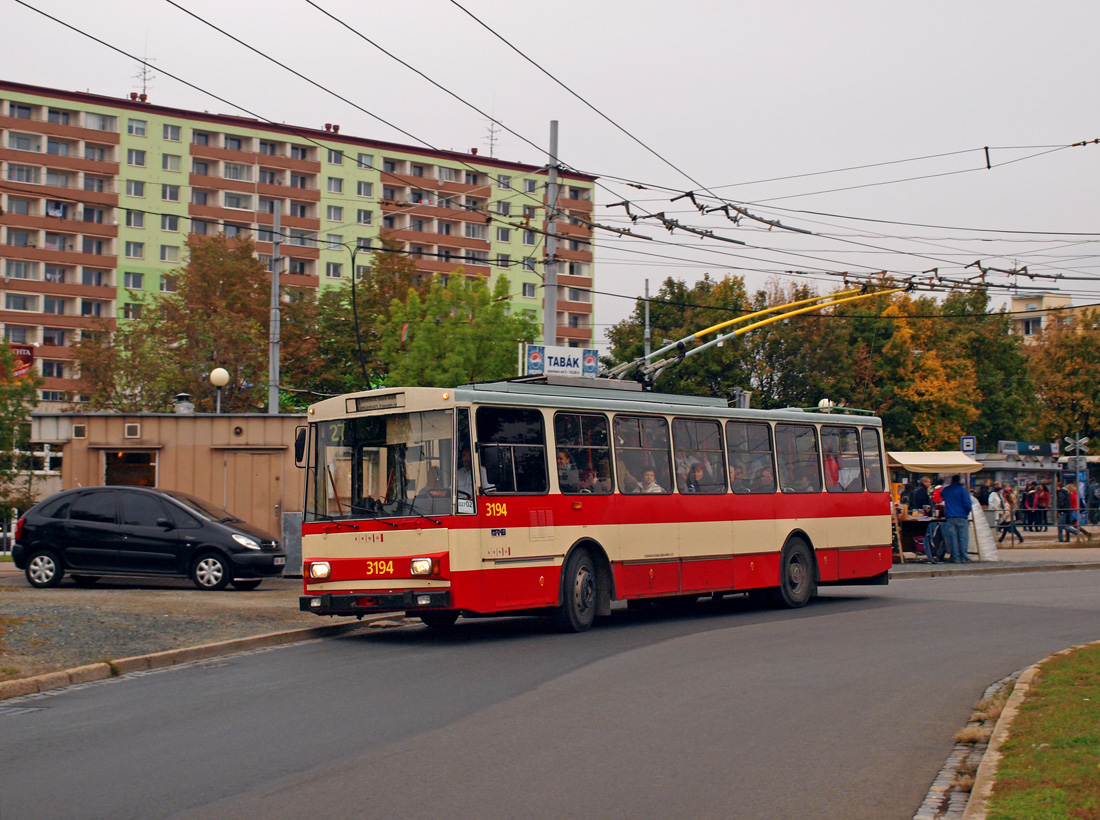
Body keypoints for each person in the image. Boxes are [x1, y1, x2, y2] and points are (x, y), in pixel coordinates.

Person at [940, 474, 973, 563]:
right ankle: (964, 557)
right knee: (963, 538)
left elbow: (941, 493)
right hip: (961, 516)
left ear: (951, 480)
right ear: (959, 481)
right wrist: (966, 513)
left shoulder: (946, 490)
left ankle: (955, 557)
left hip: (950, 516)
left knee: (953, 538)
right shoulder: (963, 490)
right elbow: (968, 504)